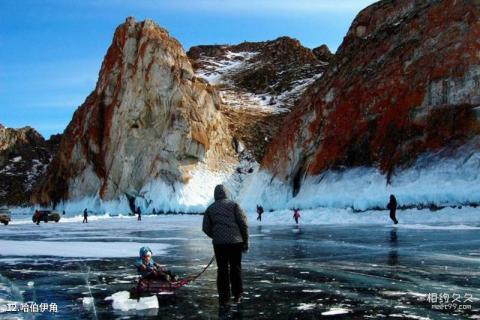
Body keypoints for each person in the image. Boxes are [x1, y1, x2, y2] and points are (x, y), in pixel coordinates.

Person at [202, 185, 249, 306]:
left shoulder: (210, 209)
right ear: (226, 193)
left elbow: (205, 228)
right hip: (236, 242)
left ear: (215, 194)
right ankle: (237, 295)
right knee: (236, 268)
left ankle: (224, 298)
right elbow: (243, 224)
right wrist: (245, 241)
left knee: (222, 270)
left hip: (219, 244)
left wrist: (216, 235)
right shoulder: (234, 205)